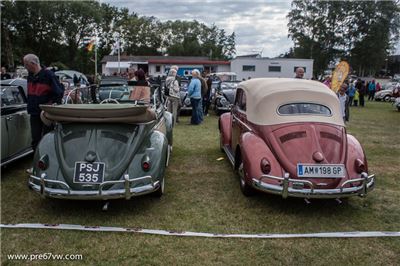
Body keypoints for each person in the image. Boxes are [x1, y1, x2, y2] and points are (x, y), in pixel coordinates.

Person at [23, 54, 64, 152]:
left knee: (47, 138)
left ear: (33, 63)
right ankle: (37, 163)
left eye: (26, 64)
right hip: (34, 112)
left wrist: (50, 107)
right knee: (35, 139)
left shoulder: (49, 75)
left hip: (45, 113)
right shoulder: (30, 76)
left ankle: (49, 161)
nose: (25, 67)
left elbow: (59, 93)